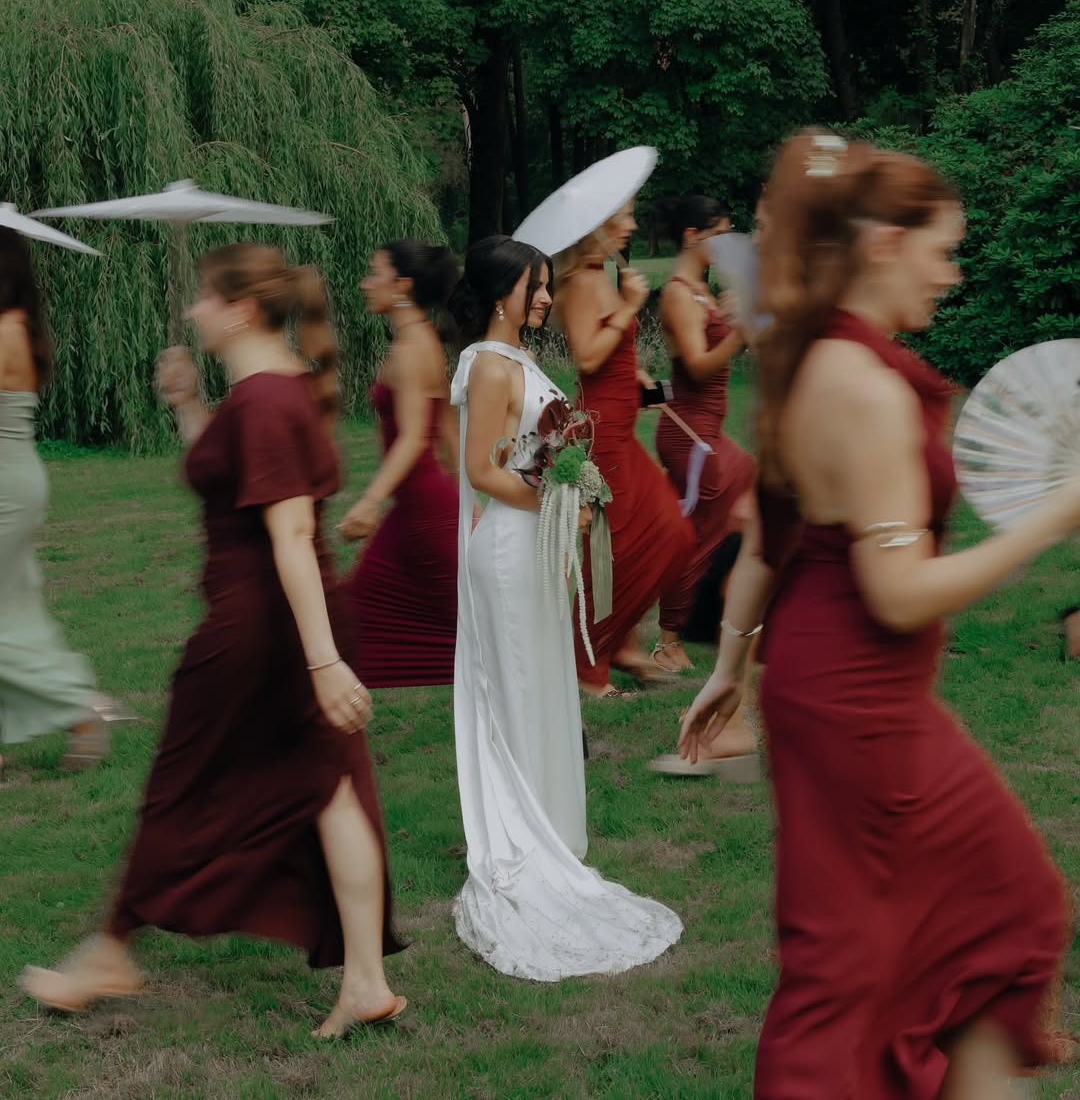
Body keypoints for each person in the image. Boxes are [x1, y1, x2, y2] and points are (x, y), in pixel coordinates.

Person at [679, 131, 1074, 1099]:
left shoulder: (804, 359)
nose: (953, 274)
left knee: (930, 931)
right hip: (859, 699)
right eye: (943, 250)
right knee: (968, 923)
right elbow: (897, 595)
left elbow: (769, 542)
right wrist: (1055, 515)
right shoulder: (864, 387)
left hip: (827, 686)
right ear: (884, 244)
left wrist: (729, 667)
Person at [21, 244, 404, 1038]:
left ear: (240, 310)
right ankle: (366, 982)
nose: (193, 309)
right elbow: (236, 487)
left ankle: (112, 950)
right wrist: (188, 404)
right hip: (289, 621)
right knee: (332, 790)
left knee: (181, 787)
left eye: (204, 296)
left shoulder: (263, 400)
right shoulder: (278, 389)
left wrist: (322, 661)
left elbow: (289, 534)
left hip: (258, 631)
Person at [448, 235, 683, 980]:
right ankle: (520, 838)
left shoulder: (519, 358)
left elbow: (531, 450)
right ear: (500, 294)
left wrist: (568, 485)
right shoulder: (489, 364)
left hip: (535, 547)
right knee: (518, 687)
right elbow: (482, 468)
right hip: (508, 550)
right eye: (535, 286)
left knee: (544, 686)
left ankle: (548, 825)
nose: (547, 297)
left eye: (548, 284)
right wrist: (559, 498)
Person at [555, 203, 694, 697]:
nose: (632, 226)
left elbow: (611, 353)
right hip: (604, 432)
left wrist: (642, 379)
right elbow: (587, 355)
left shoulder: (601, 274)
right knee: (611, 549)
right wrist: (631, 306)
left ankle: (620, 644)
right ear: (597, 222)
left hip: (621, 426)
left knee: (668, 531)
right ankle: (587, 665)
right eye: (625, 216)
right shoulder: (580, 282)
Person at [0, 229, 117, 779]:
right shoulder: (19, 324)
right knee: (12, 609)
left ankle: (79, 707)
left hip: (6, 485)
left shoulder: (7, 330)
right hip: (15, 478)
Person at [339, 240, 460, 688]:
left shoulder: (411, 348)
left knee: (473, 634)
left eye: (375, 273)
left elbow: (414, 437)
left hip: (422, 515)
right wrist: (466, 502)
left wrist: (369, 501)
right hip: (421, 511)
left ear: (403, 285)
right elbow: (446, 431)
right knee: (350, 623)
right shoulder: (422, 339)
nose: (364, 283)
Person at [653, 195, 755, 674]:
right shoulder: (678, 293)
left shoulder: (700, 290)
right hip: (690, 436)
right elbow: (696, 366)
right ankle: (667, 639)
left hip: (707, 429)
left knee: (748, 498)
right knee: (698, 535)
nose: (726, 243)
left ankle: (719, 612)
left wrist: (733, 321)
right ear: (692, 236)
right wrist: (739, 332)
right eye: (718, 234)